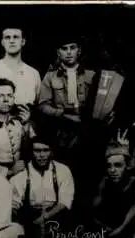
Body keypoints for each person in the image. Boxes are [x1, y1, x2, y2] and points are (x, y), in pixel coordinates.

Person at [10, 134, 75, 238]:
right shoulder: (22, 173)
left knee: (57, 233)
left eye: (45, 150)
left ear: (51, 151)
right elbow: (14, 202)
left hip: (56, 212)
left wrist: (45, 216)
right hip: (30, 213)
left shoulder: (62, 170)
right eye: (37, 151)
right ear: (31, 152)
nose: (41, 155)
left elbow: (64, 202)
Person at [37, 32, 96, 169]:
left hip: (87, 130)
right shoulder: (50, 77)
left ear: (79, 51)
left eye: (72, 48)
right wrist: (62, 113)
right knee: (62, 167)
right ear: (58, 52)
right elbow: (43, 105)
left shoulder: (91, 75)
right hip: (61, 132)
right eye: (64, 49)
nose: (69, 52)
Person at [0, 26, 41, 121]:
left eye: (16, 37)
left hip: (24, 126)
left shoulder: (33, 73)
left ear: (23, 42)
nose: (11, 41)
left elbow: (36, 104)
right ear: (2, 42)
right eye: (7, 37)